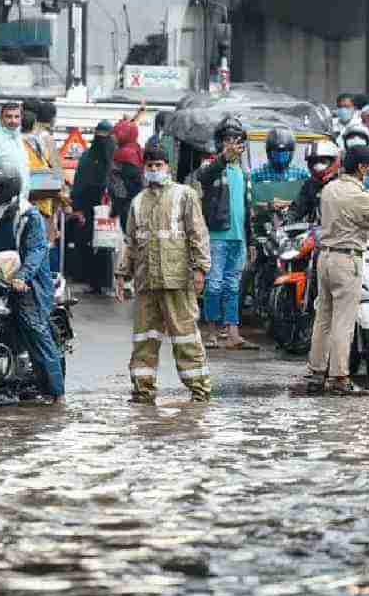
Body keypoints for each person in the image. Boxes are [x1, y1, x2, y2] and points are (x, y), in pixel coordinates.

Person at [114, 146, 212, 403]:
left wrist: (201, 269)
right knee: (144, 339)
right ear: (144, 168)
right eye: (150, 166)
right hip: (146, 280)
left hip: (177, 278)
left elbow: (198, 234)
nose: (154, 170)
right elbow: (130, 241)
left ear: (167, 166)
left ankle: (199, 390)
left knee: (185, 336)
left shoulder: (184, 195)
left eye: (159, 165)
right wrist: (121, 274)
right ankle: (142, 390)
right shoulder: (138, 201)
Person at [306, 146, 369, 395]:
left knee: (323, 319)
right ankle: (340, 377)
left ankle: (317, 374)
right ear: (361, 167)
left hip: (325, 257)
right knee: (344, 321)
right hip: (346, 259)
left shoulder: (330, 188)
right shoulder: (359, 195)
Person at [0, 161, 65, 406]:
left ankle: (56, 393)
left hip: (30, 284)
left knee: (34, 329)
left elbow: (37, 250)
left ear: (5, 189)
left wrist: (23, 277)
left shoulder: (28, 216)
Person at [196, 116, 256, 349]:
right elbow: (203, 176)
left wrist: (250, 240)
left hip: (238, 239)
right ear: (220, 142)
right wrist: (222, 158)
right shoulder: (211, 166)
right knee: (214, 285)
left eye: (235, 139)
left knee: (233, 287)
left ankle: (233, 333)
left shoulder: (244, 172)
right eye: (227, 139)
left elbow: (247, 209)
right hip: (217, 237)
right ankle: (211, 333)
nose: (231, 143)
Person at [71, 119, 116, 295]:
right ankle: (100, 282)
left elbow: (79, 183)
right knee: (97, 244)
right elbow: (80, 183)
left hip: (102, 209)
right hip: (98, 209)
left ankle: (98, 282)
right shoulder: (110, 157)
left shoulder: (91, 157)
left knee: (99, 244)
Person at [250, 126, 310, 223]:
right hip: (264, 226)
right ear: (269, 152)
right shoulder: (256, 175)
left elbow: (309, 201)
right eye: (276, 151)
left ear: (291, 152)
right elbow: (250, 205)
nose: (280, 155)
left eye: (284, 151)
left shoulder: (302, 175)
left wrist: (289, 204)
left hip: (296, 226)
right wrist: (268, 205)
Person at [0, 101, 31, 201]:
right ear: (0, 119)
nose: (13, 120)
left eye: (17, 117)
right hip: (1, 203)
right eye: (8, 116)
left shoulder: (19, 139)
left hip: (21, 201)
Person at [287, 140, 340, 224]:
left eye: (322, 161)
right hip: (315, 232)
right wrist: (286, 221)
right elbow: (298, 207)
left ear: (334, 161)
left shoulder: (343, 184)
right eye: (313, 162)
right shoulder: (310, 185)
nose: (317, 166)